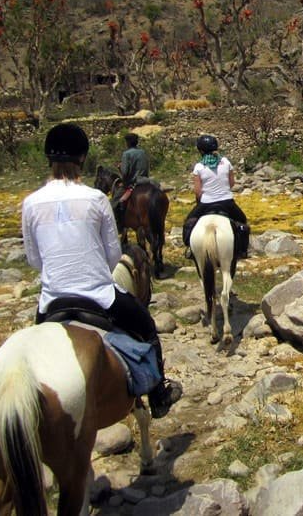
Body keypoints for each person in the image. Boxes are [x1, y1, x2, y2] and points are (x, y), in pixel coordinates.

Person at [22, 123, 181, 418]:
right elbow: (112, 256)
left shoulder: (30, 203)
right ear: (82, 158)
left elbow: (34, 260)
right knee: (146, 326)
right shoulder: (96, 200)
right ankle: (158, 392)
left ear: (48, 158)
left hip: (52, 302)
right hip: (99, 296)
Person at [183, 134, 249, 258]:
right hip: (227, 203)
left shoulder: (199, 167)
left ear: (200, 150)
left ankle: (190, 249)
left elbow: (197, 191)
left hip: (206, 204)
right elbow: (231, 183)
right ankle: (242, 251)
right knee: (243, 221)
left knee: (188, 223)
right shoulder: (225, 162)